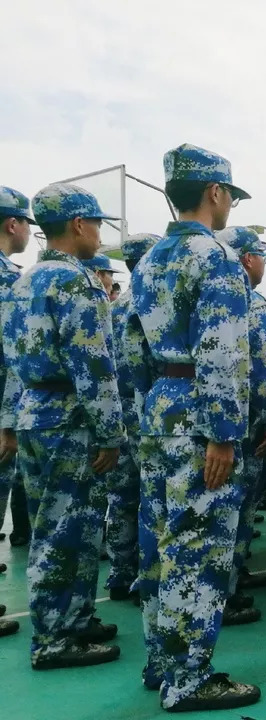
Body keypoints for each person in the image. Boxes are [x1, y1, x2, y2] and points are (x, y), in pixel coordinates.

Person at [128, 143, 260, 711]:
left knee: (160, 540)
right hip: (201, 412)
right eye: (229, 194)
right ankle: (188, 677)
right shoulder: (217, 258)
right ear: (215, 193)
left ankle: (160, 661)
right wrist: (224, 433)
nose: (229, 205)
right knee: (200, 547)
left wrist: (146, 410)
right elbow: (224, 352)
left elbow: (132, 351)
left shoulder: (150, 259)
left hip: (161, 406)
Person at [2, 183, 124, 668]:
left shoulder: (24, 281)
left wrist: (10, 419)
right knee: (63, 532)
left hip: (36, 413)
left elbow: (11, 362)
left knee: (66, 527)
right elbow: (94, 367)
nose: (98, 233)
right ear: (78, 225)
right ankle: (54, 638)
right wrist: (111, 434)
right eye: (95, 223)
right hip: (69, 420)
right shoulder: (75, 283)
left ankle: (72, 618)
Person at [216, 226, 266, 624]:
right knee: (238, 508)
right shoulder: (252, 305)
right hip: (245, 423)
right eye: (261, 256)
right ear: (246, 259)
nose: (263, 264)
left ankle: (231, 576)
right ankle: (227, 587)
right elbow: (263, 369)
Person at [104, 232, 161, 602]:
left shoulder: (113, 308)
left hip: (119, 413)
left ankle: (120, 572)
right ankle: (147, 578)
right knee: (152, 500)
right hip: (150, 412)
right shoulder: (152, 302)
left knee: (122, 498)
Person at [0, 186, 32, 561]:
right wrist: (8, 423)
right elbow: (14, 355)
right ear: (13, 224)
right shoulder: (9, 280)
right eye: (26, 223)